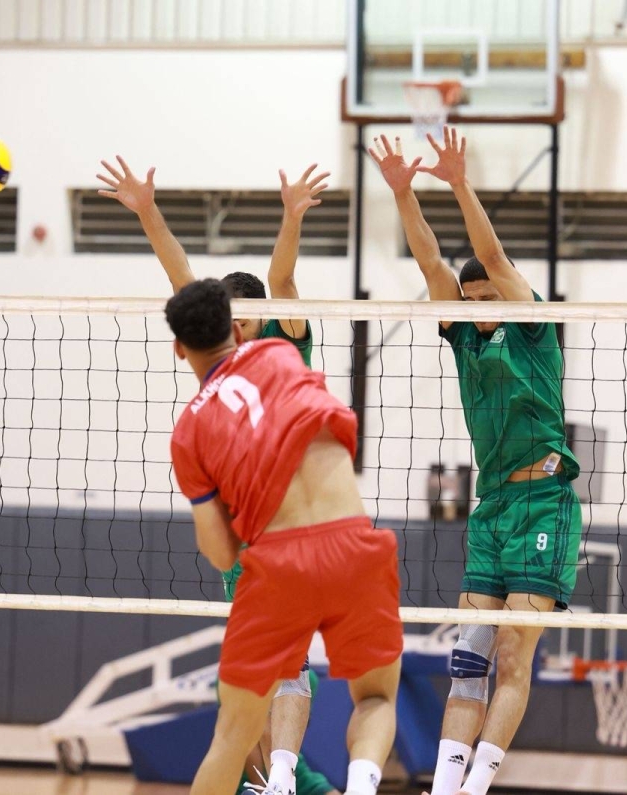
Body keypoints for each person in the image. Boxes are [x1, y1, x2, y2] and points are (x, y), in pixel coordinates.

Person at [99, 155, 337, 795]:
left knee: (288, 657)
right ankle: (267, 781)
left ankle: (282, 778)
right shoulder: (217, 356)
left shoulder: (288, 340)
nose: (234, 326)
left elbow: (282, 277)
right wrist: (148, 212)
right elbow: (180, 277)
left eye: (243, 315)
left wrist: (291, 217)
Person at [370, 127, 582, 795]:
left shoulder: (531, 327)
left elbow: (489, 254)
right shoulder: (462, 333)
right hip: (491, 507)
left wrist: (459, 183)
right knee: (468, 661)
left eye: (493, 296)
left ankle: (477, 785)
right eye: (475, 300)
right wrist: (403, 194)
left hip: (544, 502)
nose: (484, 307)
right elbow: (431, 260)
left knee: (514, 655)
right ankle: (444, 787)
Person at [166, 279, 403, 795]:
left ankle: (280, 779)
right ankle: (362, 786)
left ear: (179, 347)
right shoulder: (281, 353)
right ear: (237, 330)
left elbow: (221, 552)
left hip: (278, 562)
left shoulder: (188, 433)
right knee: (376, 698)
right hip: (355, 546)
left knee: (232, 737)